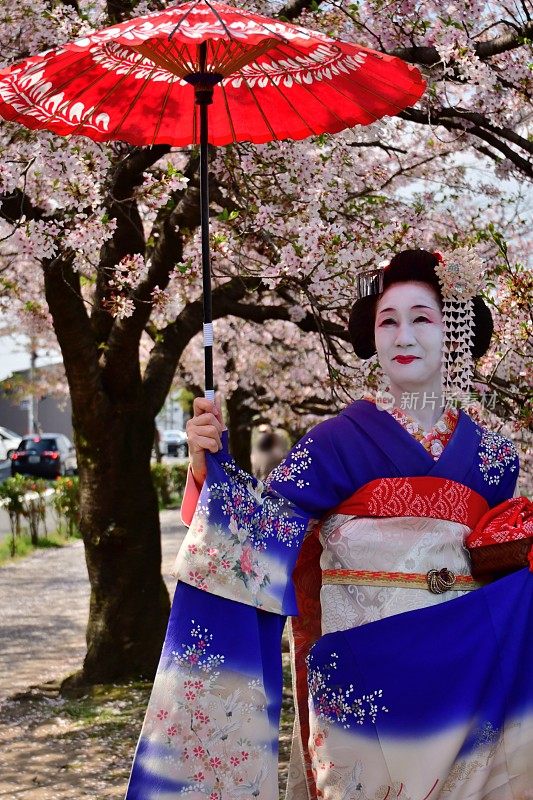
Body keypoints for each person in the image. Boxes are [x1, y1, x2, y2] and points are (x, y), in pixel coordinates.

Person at [125, 249, 532, 800]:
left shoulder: (493, 458)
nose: (403, 336)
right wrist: (208, 474)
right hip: (362, 670)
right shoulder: (337, 442)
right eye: (388, 321)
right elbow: (257, 535)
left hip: (461, 676)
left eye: (422, 318)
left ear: (453, 330)